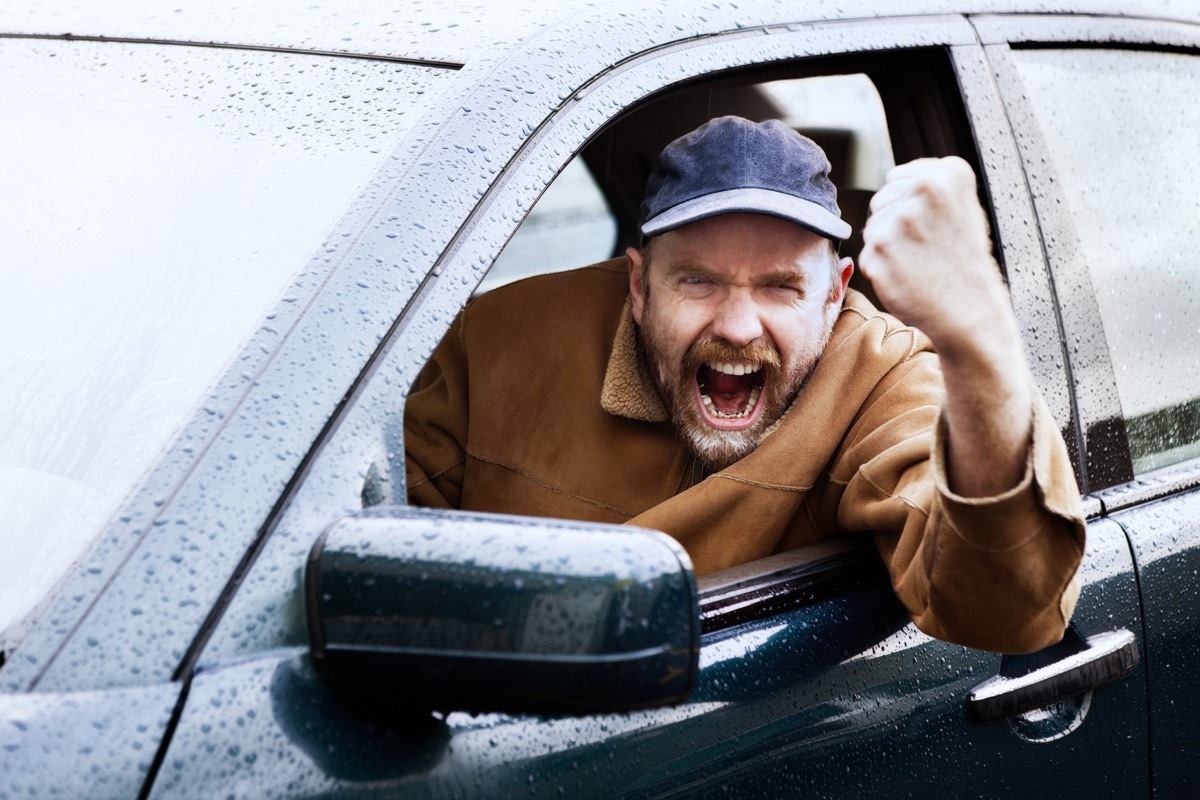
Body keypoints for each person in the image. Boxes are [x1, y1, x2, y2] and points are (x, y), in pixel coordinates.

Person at [404, 116, 1085, 654]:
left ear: (834, 294)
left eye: (781, 286)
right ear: (639, 285)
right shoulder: (498, 339)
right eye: (698, 280)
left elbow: (1008, 608)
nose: (736, 327)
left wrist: (980, 344)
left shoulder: (882, 375)